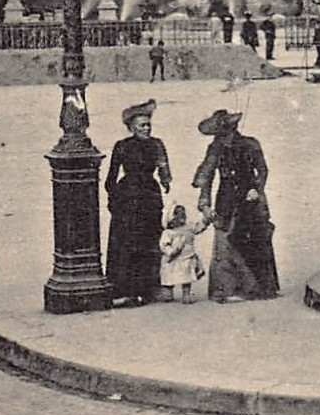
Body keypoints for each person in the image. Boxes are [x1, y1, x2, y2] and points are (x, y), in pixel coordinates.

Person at [192, 109, 279, 302]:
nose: (225, 137)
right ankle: (225, 290)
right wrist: (204, 204)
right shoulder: (215, 149)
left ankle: (261, 287)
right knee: (224, 240)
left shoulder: (250, 144)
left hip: (250, 198)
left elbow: (263, 170)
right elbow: (206, 176)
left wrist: (257, 188)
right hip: (226, 198)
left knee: (256, 237)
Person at [105, 100, 171, 307]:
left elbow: (164, 168)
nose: (146, 129)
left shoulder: (157, 144)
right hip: (128, 197)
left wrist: (166, 180)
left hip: (150, 196)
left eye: (148, 125)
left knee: (149, 242)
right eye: (142, 125)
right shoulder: (122, 146)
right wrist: (114, 198)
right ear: (131, 127)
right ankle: (124, 290)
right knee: (127, 244)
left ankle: (148, 289)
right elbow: (111, 178)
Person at [158, 205, 210, 303]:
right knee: (169, 276)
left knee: (186, 277)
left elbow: (198, 228)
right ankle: (168, 293)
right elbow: (164, 244)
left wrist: (205, 220)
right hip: (172, 259)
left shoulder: (188, 227)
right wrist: (170, 251)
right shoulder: (168, 232)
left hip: (186, 257)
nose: (182, 217)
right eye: (178, 214)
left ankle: (186, 294)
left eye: (183, 214)